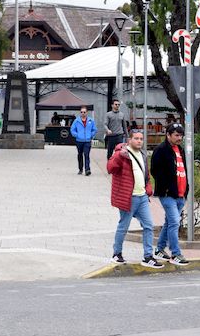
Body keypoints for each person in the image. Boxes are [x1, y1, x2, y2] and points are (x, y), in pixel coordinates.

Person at [107, 130, 164, 268]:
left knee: (148, 225)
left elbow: (146, 175)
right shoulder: (121, 153)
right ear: (129, 140)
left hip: (142, 197)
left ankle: (148, 256)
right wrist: (119, 156)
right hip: (128, 197)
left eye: (141, 139)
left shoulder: (143, 154)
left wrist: (148, 189)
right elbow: (110, 168)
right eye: (136, 138)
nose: (139, 141)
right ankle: (117, 254)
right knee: (123, 226)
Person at [150, 123, 191, 266]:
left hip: (181, 193)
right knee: (174, 222)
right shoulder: (161, 150)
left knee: (169, 222)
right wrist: (166, 187)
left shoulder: (180, 149)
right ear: (168, 135)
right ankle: (175, 253)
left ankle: (159, 249)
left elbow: (183, 169)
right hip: (167, 194)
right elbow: (154, 171)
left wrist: (186, 189)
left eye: (181, 135)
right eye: (176, 135)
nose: (180, 138)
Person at [69, 106, 97, 176]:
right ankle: (80, 169)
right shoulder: (76, 121)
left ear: (87, 112)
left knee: (86, 155)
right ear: (80, 112)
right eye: (81, 112)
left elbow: (94, 129)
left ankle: (87, 169)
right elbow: (72, 130)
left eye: (84, 112)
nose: (83, 113)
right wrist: (77, 135)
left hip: (87, 141)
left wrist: (91, 135)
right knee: (80, 154)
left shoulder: (91, 120)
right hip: (79, 141)